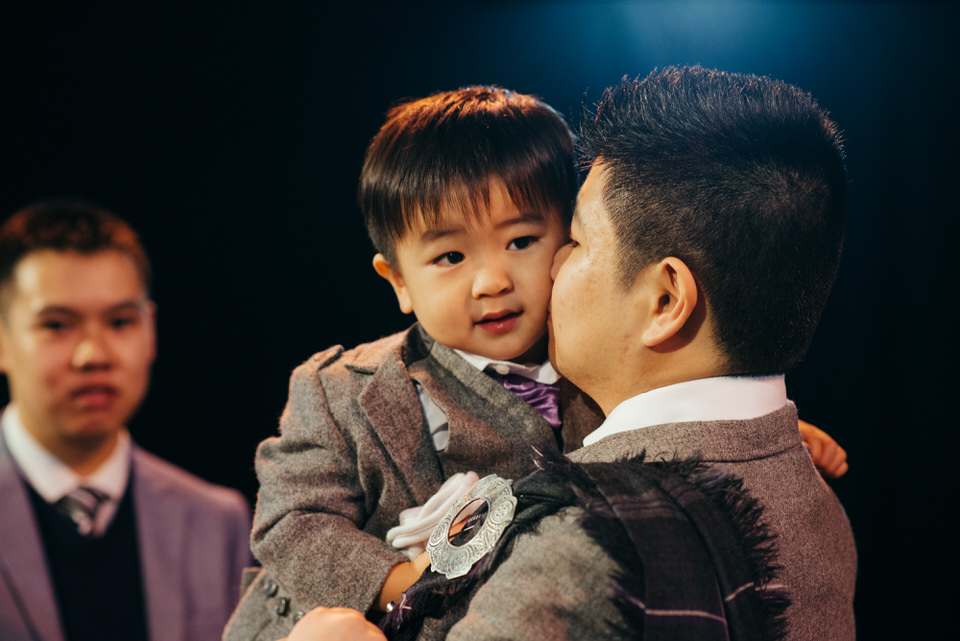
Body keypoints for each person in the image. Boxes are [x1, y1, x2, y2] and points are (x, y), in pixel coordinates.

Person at [226, 83, 849, 641]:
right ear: (398, 282)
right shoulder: (346, 390)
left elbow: (669, 417)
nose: (493, 280)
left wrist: (769, 430)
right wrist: (398, 580)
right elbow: (293, 522)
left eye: (524, 242)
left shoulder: (589, 370)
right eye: (450, 258)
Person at [423, 66, 857, 640]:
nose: (552, 266)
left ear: (665, 299)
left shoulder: (577, 542)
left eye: (575, 241)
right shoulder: (815, 495)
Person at [0, 200, 252, 641]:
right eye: (57, 325)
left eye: (120, 322)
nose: (94, 355)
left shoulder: (217, 522)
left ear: (150, 329)